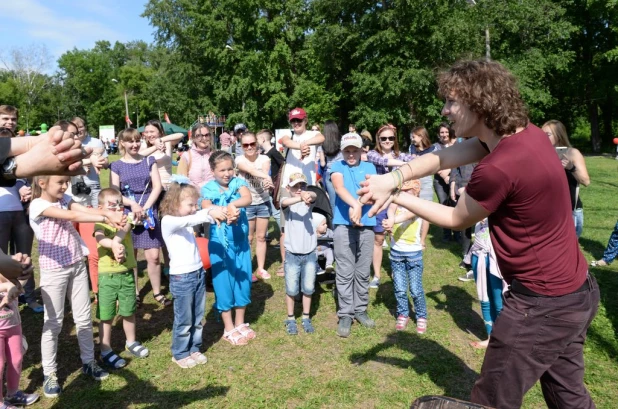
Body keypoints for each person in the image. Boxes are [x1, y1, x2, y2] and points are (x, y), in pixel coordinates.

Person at [359, 59, 599, 409]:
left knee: (492, 401)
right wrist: (394, 177)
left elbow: (456, 218)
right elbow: (443, 158)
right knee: (569, 398)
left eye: (452, 102)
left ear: (478, 102)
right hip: (576, 293)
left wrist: (398, 197)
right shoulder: (523, 135)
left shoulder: (500, 166)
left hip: (542, 306)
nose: (445, 111)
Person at [29, 175, 125, 397]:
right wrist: (106, 214)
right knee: (53, 323)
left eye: (66, 182)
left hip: (76, 265)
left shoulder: (65, 197)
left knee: (83, 318)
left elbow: (83, 209)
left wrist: (106, 215)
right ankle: (50, 373)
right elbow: (74, 215)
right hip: (54, 270)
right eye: (60, 182)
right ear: (42, 183)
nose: (65, 186)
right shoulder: (38, 204)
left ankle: (89, 362)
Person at [161, 176, 226, 368]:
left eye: (195, 204)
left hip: (197, 273)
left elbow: (197, 216)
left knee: (197, 317)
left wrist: (218, 212)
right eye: (190, 204)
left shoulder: (187, 222)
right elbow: (197, 217)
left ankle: (194, 348)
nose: (194, 208)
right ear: (175, 203)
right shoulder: (168, 221)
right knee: (184, 319)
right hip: (182, 278)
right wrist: (212, 212)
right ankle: (180, 353)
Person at [200, 151, 255, 345]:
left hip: (241, 244)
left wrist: (232, 205)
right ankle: (228, 327)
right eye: (222, 170)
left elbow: (247, 198)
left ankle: (240, 322)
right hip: (220, 245)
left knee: (243, 281)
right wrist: (222, 211)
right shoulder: (207, 189)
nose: (227, 173)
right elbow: (206, 205)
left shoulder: (238, 183)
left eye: (230, 168)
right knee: (224, 283)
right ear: (213, 170)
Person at [110, 128, 170, 307]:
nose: (134, 144)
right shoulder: (116, 165)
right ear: (122, 143)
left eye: (137, 140)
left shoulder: (149, 160)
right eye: (130, 141)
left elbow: (157, 186)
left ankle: (157, 291)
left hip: (148, 210)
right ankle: (135, 291)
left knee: (153, 256)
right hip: (128, 211)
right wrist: (133, 205)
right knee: (132, 255)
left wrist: (145, 207)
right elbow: (114, 191)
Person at [94, 188, 149, 370]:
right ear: (101, 208)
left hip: (126, 273)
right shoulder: (99, 222)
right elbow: (101, 239)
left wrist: (140, 216)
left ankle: (131, 342)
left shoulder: (126, 220)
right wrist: (114, 246)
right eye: (112, 205)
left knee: (129, 310)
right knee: (106, 315)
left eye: (120, 204)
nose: (118, 208)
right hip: (107, 275)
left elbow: (125, 229)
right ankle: (105, 348)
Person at [331, 132, 377, 338]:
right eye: (347, 151)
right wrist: (355, 205)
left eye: (354, 150)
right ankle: (346, 313)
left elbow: (372, 191)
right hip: (343, 224)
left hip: (367, 223)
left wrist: (358, 206)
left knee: (362, 269)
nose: (351, 154)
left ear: (361, 150)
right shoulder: (337, 166)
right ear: (342, 151)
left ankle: (360, 309)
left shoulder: (370, 167)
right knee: (344, 269)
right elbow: (339, 188)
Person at [365, 124, 415, 289]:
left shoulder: (401, 155)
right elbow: (383, 161)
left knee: (396, 238)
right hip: (380, 202)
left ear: (395, 139)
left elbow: (417, 160)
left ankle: (397, 271)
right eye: (384, 138)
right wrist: (403, 164)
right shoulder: (373, 154)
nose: (387, 141)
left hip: (398, 200)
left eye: (391, 138)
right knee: (378, 239)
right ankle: (377, 275)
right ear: (378, 140)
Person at [0, 123, 42, 313]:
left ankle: (30, 297)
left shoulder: (19, 169)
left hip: (20, 218)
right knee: (3, 260)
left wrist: (27, 193)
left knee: (25, 257)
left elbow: (32, 184)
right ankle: (5, 299)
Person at [382, 179, 427, 334]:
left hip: (414, 254)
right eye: (403, 192)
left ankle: (421, 316)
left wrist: (392, 220)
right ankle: (403, 314)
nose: (405, 195)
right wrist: (390, 217)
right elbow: (391, 208)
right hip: (396, 254)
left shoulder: (418, 206)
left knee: (415, 289)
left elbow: (407, 216)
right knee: (400, 289)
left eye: (409, 192)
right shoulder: (396, 204)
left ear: (417, 192)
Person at [280, 173, 318, 335]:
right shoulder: (287, 203)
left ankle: (305, 316)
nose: (300, 189)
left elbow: (316, 195)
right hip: (292, 255)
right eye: (295, 186)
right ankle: (290, 318)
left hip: (310, 254)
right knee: (291, 289)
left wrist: (309, 195)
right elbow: (284, 202)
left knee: (308, 288)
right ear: (288, 188)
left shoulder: (309, 202)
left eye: (302, 186)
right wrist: (300, 197)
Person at [235, 132, 273, 281]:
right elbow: (250, 170)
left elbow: (263, 170)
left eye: (252, 144)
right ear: (241, 146)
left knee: (261, 237)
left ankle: (261, 268)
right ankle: (247, 269)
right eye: (246, 145)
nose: (249, 147)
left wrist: (266, 180)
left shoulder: (264, 158)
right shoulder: (239, 159)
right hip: (247, 203)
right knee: (248, 238)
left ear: (257, 144)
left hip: (263, 202)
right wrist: (267, 178)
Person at [0, 263, 40, 407]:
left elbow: (22, 278)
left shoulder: (11, 279)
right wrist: (8, 287)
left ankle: (13, 393)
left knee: (16, 359)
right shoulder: (7, 283)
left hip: (14, 326)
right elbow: (7, 287)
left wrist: (26, 269)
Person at [542, 120, 590, 238]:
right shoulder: (541, 154)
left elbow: (586, 181)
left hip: (570, 209)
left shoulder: (572, 153)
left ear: (558, 136)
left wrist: (570, 167)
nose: (543, 137)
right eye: (541, 134)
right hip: (548, 209)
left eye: (547, 134)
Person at [465, 218, 505, 349]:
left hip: (497, 255)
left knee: (499, 300)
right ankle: (490, 337)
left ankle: (503, 339)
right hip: (478, 253)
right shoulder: (478, 200)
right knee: (484, 297)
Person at [255, 130, 285, 276]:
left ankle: (285, 233)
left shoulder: (273, 152)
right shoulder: (265, 154)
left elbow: (283, 166)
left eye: (257, 139)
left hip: (274, 189)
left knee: (277, 214)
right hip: (267, 190)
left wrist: (276, 181)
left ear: (262, 139)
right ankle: (269, 235)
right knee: (270, 212)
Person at [280, 108, 325, 186]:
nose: (296, 123)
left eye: (299, 120)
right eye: (293, 121)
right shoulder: (288, 133)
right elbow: (286, 142)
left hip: (308, 181)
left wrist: (305, 143)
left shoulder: (314, 134)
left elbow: (321, 138)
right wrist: (300, 147)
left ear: (305, 121)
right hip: (289, 182)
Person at [139, 120, 184, 192]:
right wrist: (155, 147)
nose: (149, 135)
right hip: (150, 188)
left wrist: (160, 140)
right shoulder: (143, 146)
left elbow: (180, 135)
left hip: (167, 187)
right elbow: (139, 156)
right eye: (146, 132)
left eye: (152, 132)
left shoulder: (168, 143)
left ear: (160, 132)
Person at [432, 123, 457, 242]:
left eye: (446, 132)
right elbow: (435, 165)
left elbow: (458, 163)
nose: (444, 134)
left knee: (455, 205)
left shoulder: (456, 145)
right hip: (440, 182)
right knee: (443, 205)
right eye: (442, 132)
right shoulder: (435, 147)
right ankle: (447, 234)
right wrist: (445, 176)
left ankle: (457, 233)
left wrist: (449, 176)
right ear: (438, 134)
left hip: (455, 180)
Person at [177, 123, 215, 190]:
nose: (204, 138)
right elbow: (181, 182)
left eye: (207, 135)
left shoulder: (216, 155)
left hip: (214, 195)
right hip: (193, 196)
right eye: (199, 136)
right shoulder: (187, 156)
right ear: (193, 137)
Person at [321, 120, 343, 212]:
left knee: (333, 203)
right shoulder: (341, 141)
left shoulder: (322, 143)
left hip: (330, 173)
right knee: (344, 200)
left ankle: (334, 224)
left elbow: (322, 163)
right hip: (342, 172)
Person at [409, 126, 436, 201]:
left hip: (426, 181)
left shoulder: (433, 149)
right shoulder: (412, 147)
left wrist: (418, 159)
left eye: (414, 137)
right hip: (414, 181)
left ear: (421, 137)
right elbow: (413, 160)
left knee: (427, 204)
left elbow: (432, 164)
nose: (412, 139)